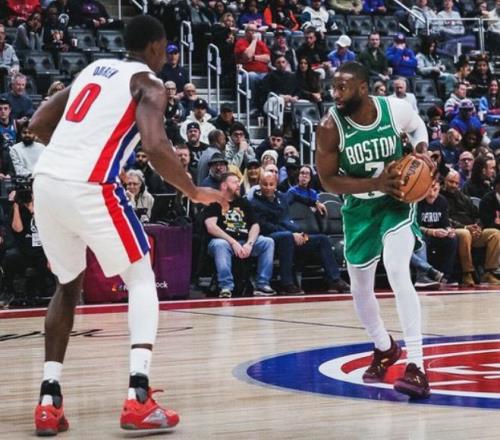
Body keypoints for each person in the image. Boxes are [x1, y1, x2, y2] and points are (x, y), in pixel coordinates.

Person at [29, 15, 227, 436]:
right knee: (140, 275)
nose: (166, 57)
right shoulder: (149, 84)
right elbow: (154, 145)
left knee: (67, 285)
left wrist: (73, 154)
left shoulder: (92, 69)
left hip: (46, 182)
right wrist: (193, 190)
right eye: (166, 49)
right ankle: (139, 397)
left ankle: (48, 401)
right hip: (89, 184)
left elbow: (39, 122)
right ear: (155, 47)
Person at [315, 61, 433, 399]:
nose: (335, 93)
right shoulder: (329, 127)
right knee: (360, 289)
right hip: (359, 208)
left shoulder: (393, 109)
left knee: (397, 269)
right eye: (333, 87)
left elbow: (418, 126)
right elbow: (328, 181)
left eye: (342, 87)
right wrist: (374, 183)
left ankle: (417, 367)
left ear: (363, 88)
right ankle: (384, 347)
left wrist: (422, 153)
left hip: (396, 202)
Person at [251, 171, 350, 294]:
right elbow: (265, 226)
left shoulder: (281, 197)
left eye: (271, 184)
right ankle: (287, 284)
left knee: (322, 239)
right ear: (259, 184)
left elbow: (297, 196)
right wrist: (291, 234)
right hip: (272, 237)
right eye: (265, 184)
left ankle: (334, 280)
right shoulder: (255, 203)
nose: (268, 187)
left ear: (276, 184)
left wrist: (315, 202)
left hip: (295, 235)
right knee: (286, 237)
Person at [204, 172, 276, 298]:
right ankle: (226, 286)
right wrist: (232, 242)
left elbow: (255, 225)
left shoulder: (243, 202)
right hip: (223, 242)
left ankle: (262, 284)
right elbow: (211, 226)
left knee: (267, 242)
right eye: (235, 182)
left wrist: (250, 243)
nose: (238, 185)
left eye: (239, 182)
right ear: (224, 185)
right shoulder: (214, 202)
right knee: (220, 244)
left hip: (244, 241)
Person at [441, 170, 500, 286]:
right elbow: (446, 219)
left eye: (456, 183)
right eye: (451, 182)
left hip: (472, 231)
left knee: (495, 233)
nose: (454, 185)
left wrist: (478, 227)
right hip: (454, 231)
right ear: (444, 181)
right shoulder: (441, 198)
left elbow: (477, 215)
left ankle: (489, 272)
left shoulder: (463, 198)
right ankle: (467, 273)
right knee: (465, 233)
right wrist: (465, 227)